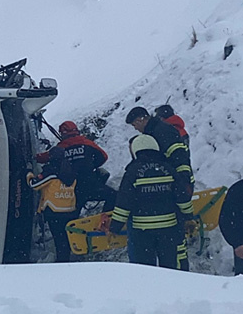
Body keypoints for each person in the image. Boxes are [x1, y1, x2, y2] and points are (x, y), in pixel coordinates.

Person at [103, 135, 194, 271]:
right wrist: (189, 218)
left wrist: (115, 228)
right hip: (168, 230)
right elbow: (182, 198)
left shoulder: (133, 172)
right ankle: (173, 290)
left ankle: (149, 291)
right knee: (171, 270)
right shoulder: (168, 169)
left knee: (145, 271)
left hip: (142, 233)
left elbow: (123, 203)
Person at [36, 120, 113, 209]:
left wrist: (32, 157)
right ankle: (106, 218)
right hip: (91, 184)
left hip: (71, 190)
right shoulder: (87, 143)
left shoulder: (61, 148)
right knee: (113, 196)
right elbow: (103, 157)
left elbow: (44, 158)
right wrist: (90, 165)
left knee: (73, 213)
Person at [126, 106, 193, 194]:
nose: (135, 128)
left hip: (177, 182)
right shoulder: (154, 131)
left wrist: (183, 181)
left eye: (134, 125)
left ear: (140, 120)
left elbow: (179, 155)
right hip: (167, 181)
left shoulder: (163, 131)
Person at [28, 160, 79, 263]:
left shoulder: (51, 174)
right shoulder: (72, 174)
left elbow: (34, 184)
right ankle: (66, 259)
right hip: (69, 211)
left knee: (58, 240)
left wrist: (29, 173)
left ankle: (61, 263)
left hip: (54, 211)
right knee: (65, 240)